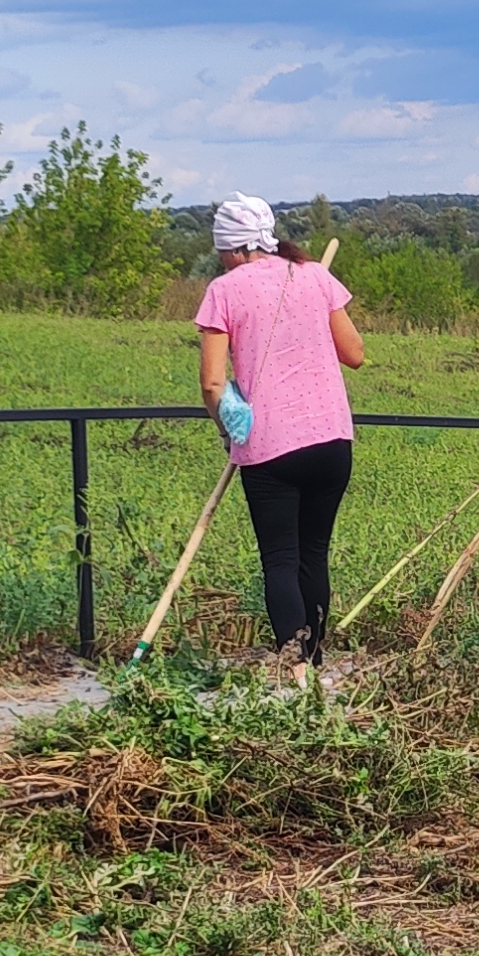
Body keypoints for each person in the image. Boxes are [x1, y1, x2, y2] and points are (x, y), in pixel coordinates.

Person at [192, 196, 367, 674]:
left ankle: (294, 667)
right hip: (332, 438)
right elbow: (354, 353)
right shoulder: (312, 275)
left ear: (229, 249)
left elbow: (211, 382)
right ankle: (314, 656)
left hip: (269, 444)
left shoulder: (224, 290)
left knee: (281, 559)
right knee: (314, 553)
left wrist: (229, 430)